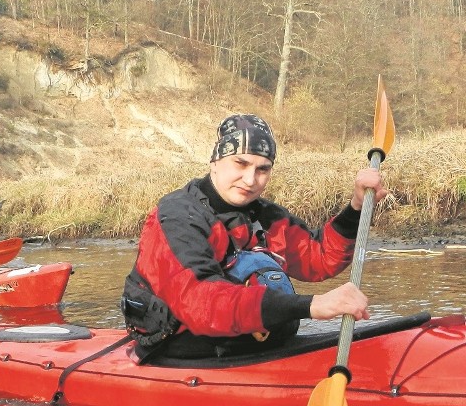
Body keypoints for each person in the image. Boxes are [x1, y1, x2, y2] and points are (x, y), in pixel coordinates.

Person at [121, 114, 388, 361]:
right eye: (241, 163)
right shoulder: (177, 216)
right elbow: (202, 302)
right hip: (185, 351)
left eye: (263, 169)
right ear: (215, 163)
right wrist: (312, 305)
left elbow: (318, 257)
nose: (250, 180)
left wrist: (355, 207)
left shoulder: (266, 215)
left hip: (255, 346)